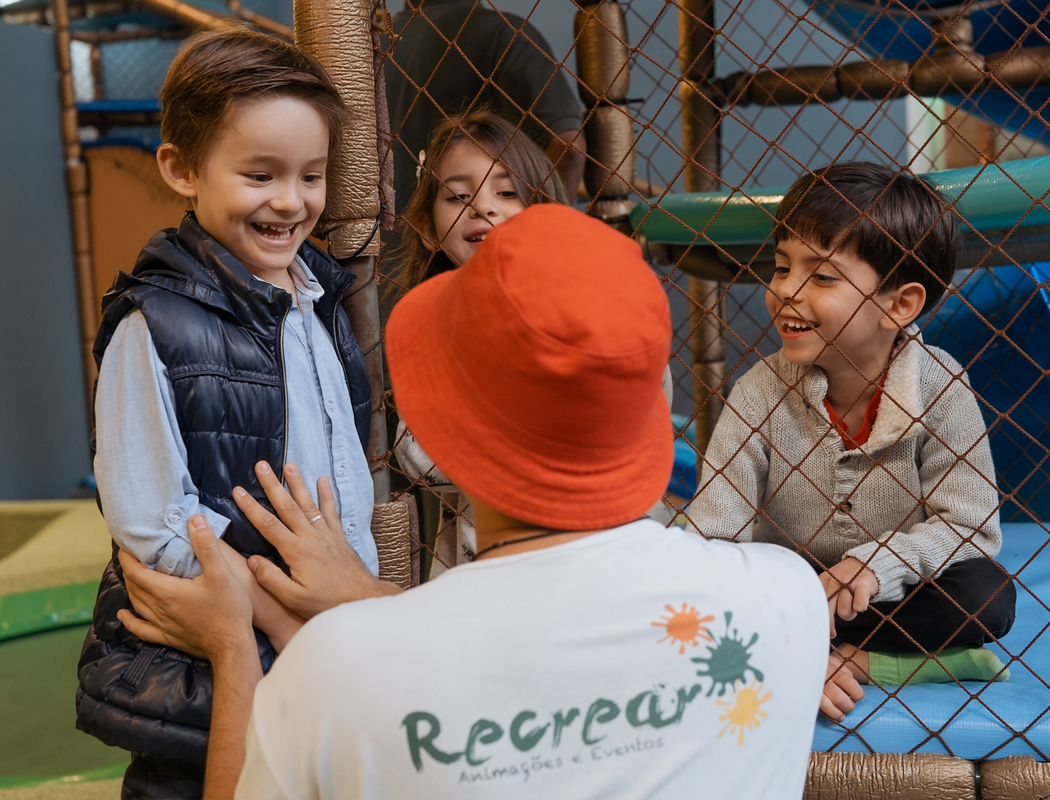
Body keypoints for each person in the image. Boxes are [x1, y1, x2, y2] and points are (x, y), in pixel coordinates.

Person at [117, 204, 830, 799]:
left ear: (443, 432)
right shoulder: (784, 600)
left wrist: (235, 646)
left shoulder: (336, 672)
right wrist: (369, 604)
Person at [76, 24, 380, 798]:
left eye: (311, 175)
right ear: (182, 169)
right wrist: (278, 599)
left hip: (320, 641)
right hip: (209, 662)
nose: (291, 201)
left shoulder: (319, 300)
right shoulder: (155, 324)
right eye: (259, 174)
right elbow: (149, 523)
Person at [685, 162, 1017, 722]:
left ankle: (854, 658)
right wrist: (765, 609)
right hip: (789, 591)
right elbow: (717, 532)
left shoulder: (942, 386)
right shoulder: (758, 391)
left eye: (822, 277)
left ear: (900, 305)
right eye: (783, 265)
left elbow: (971, 528)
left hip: (883, 596)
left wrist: (878, 560)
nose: (785, 290)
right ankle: (806, 651)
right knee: (697, 585)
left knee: (986, 595)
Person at [391, 111, 671, 575]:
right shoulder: (431, 329)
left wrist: (486, 435)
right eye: (459, 196)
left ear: (545, 212)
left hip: (615, 546)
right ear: (426, 228)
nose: (483, 207)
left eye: (507, 192)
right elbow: (418, 456)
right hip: (483, 563)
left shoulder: (597, 305)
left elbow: (643, 408)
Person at [383, 0, 586, 215]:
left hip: (377, 243)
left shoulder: (372, 48)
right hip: (485, 243)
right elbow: (569, 148)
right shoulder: (504, 34)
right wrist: (544, 231)